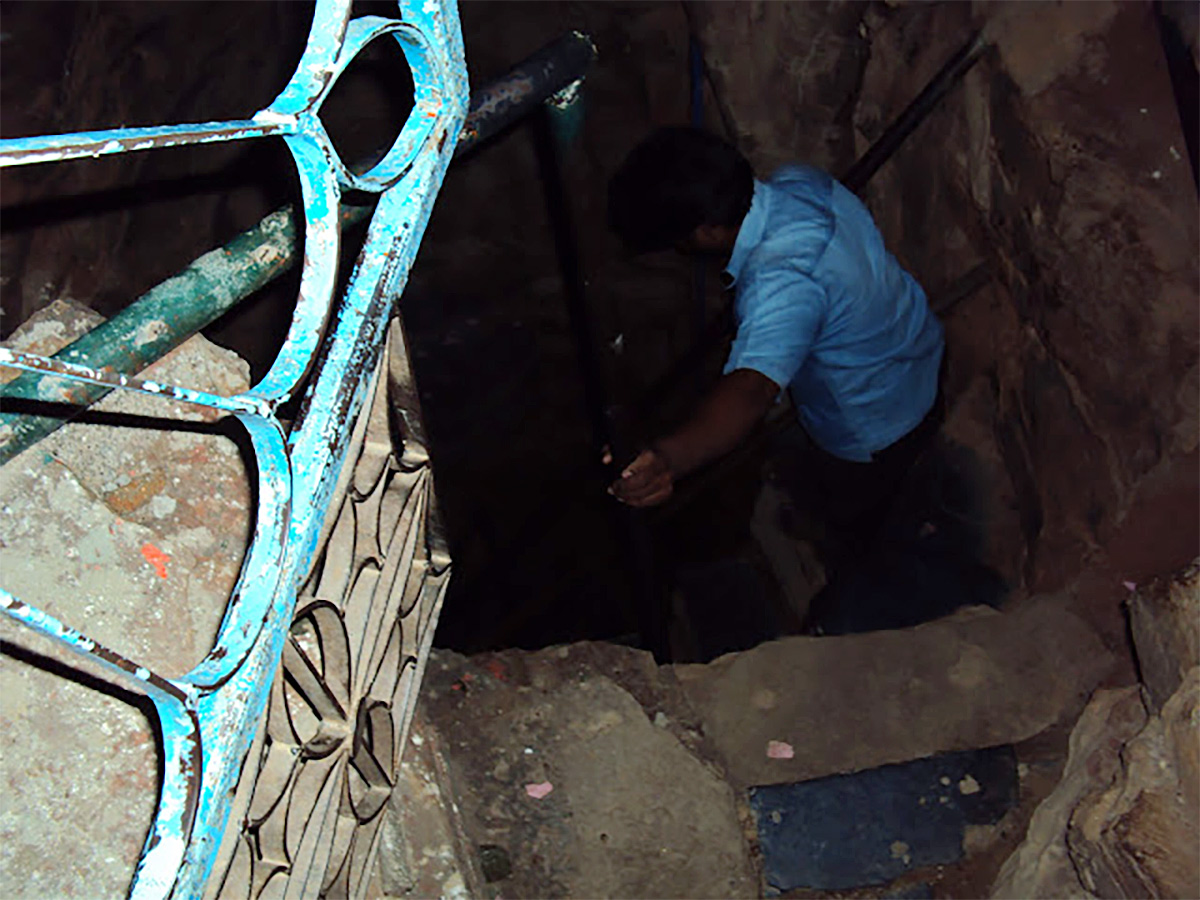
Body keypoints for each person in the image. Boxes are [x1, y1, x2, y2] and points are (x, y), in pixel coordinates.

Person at [605, 126, 945, 564]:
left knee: (854, 504)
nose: (678, 249)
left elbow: (752, 391)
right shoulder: (799, 182)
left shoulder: (780, 283)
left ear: (707, 231)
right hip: (918, 350)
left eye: (678, 239)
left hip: (875, 426)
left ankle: (853, 551)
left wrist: (668, 458)